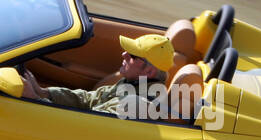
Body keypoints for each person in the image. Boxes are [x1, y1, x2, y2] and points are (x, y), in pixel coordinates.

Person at [20, 33, 174, 117]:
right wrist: (44, 92)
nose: (124, 54)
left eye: (133, 56)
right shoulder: (133, 83)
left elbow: (85, 125)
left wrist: (36, 101)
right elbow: (90, 99)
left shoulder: (137, 104)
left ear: (149, 71)